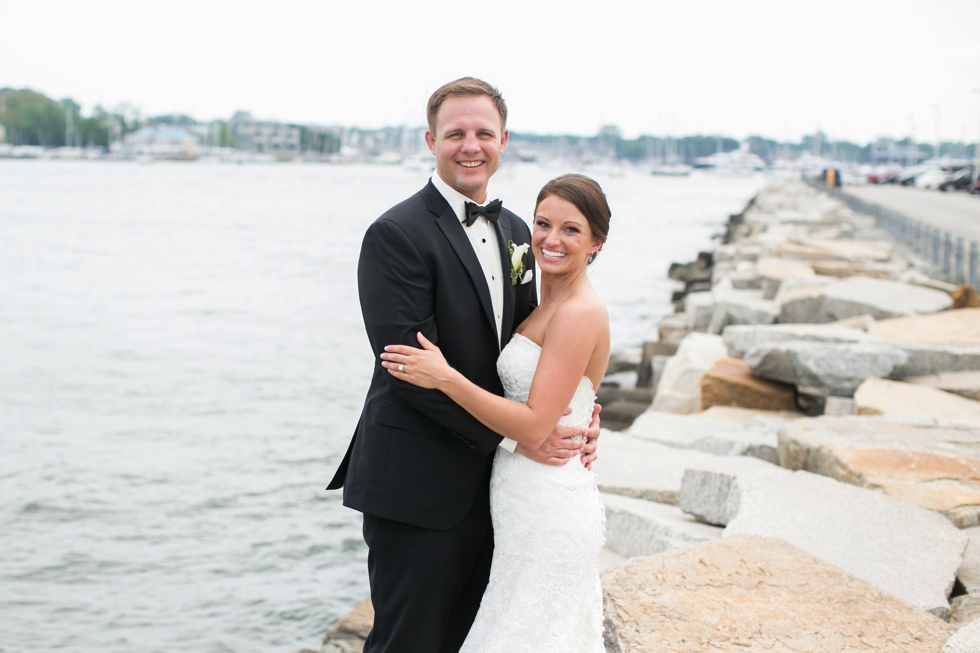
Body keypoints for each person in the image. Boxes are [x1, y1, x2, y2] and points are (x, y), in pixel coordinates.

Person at [326, 78, 600, 653]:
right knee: (409, 641)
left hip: (498, 491)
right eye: (456, 133)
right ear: (431, 140)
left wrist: (581, 413)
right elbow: (409, 370)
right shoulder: (395, 233)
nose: (470, 145)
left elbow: (536, 345)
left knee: (471, 638)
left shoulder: (519, 232)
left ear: (504, 140)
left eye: (483, 133)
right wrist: (517, 437)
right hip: (417, 483)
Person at [381, 173, 611, 651]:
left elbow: (534, 423)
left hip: (546, 499)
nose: (550, 239)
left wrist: (445, 376)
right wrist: (585, 410)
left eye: (571, 230)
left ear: (596, 244)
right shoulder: (546, 297)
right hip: (507, 497)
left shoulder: (577, 311)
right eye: (543, 224)